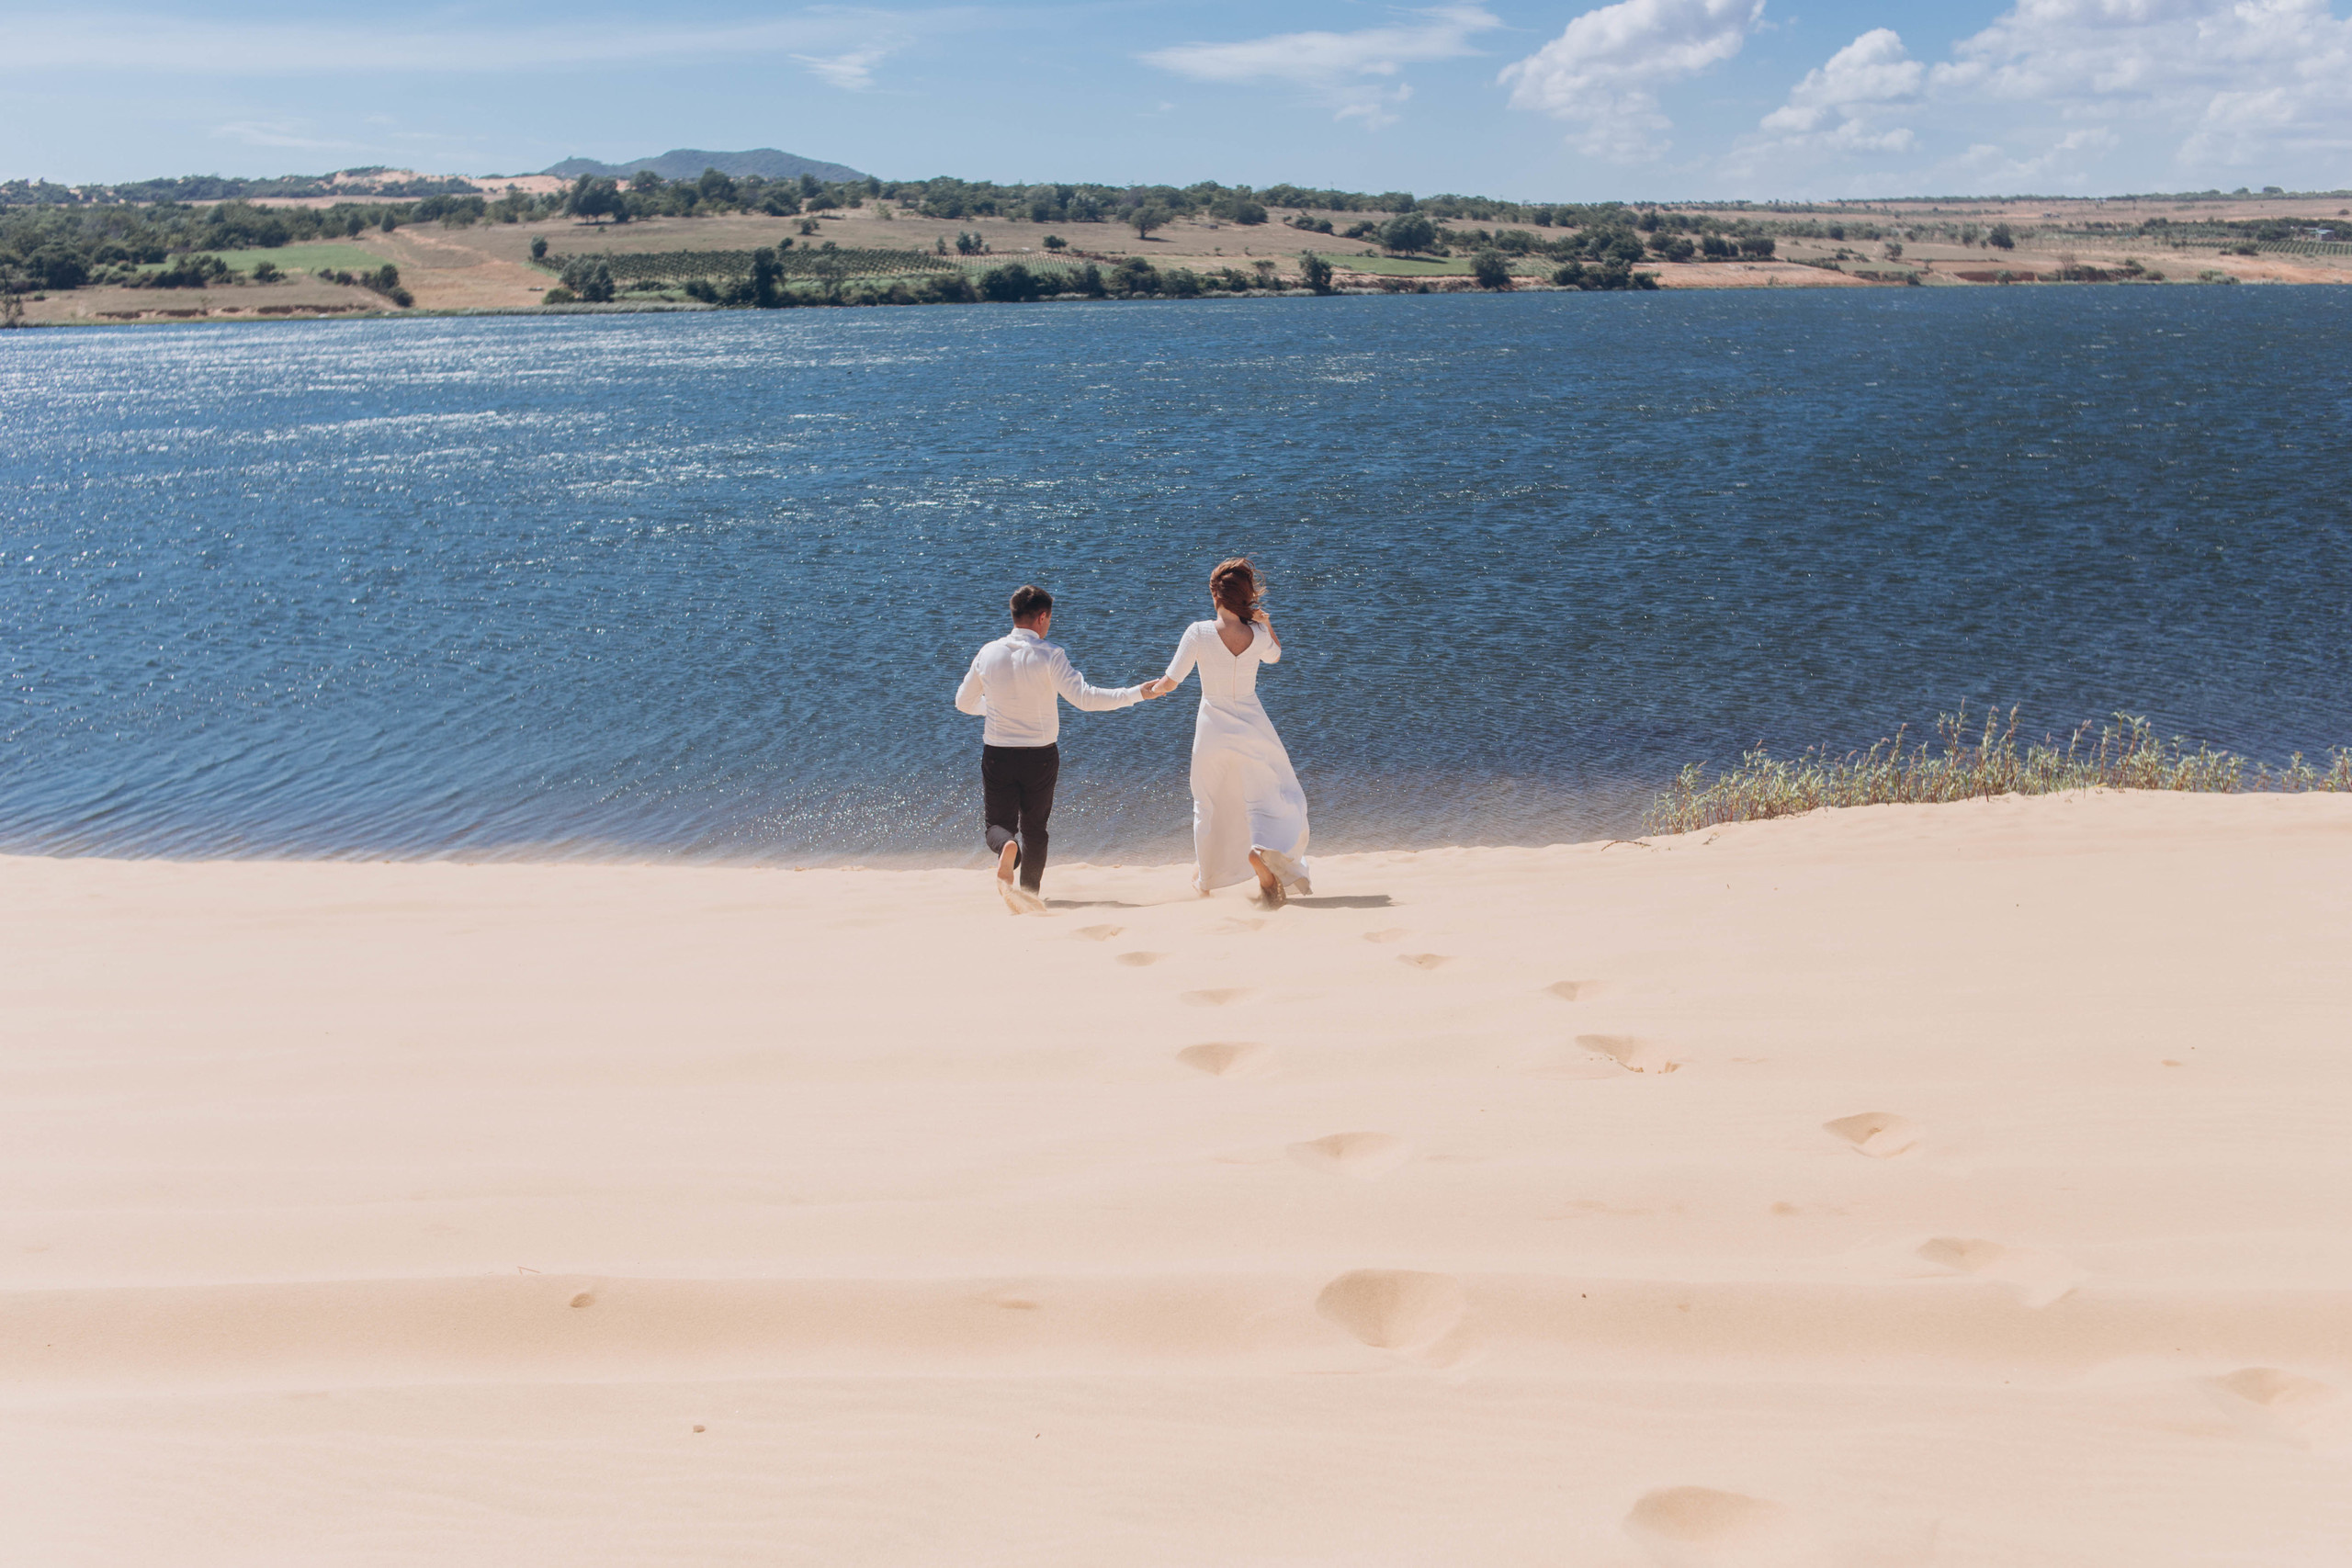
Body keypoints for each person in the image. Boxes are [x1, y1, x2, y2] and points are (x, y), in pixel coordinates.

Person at [955, 584, 1173, 913]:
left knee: (997, 826)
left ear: (1014, 616)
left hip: (998, 754)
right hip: (1040, 756)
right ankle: (1029, 895)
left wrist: (998, 709)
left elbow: (963, 702)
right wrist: (1137, 693)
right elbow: (1086, 698)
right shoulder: (1050, 654)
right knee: (1035, 830)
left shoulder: (988, 652)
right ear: (1042, 617)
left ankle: (1007, 846)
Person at [1158, 558, 1310, 906]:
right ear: (1245, 595)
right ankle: (1261, 848)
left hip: (1212, 725)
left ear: (1215, 594)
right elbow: (1275, 656)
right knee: (1268, 794)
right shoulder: (1257, 634)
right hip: (1253, 723)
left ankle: (1205, 883)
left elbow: (1171, 681)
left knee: (1207, 803)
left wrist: (1143, 692)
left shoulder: (1198, 632)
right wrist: (1265, 622)